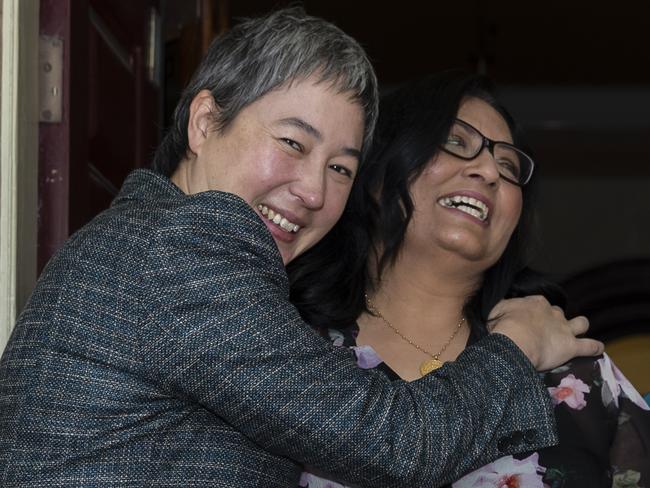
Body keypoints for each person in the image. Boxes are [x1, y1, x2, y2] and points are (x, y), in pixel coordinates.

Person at [0, 9, 603, 487]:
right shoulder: (184, 249)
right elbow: (395, 445)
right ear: (205, 122)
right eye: (292, 142)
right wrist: (515, 346)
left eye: (341, 168)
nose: (314, 191)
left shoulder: (147, 237)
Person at [291, 71, 650, 487]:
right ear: (374, 169)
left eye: (508, 165)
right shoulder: (287, 352)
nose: (489, 172)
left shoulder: (575, 375)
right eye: (456, 142)